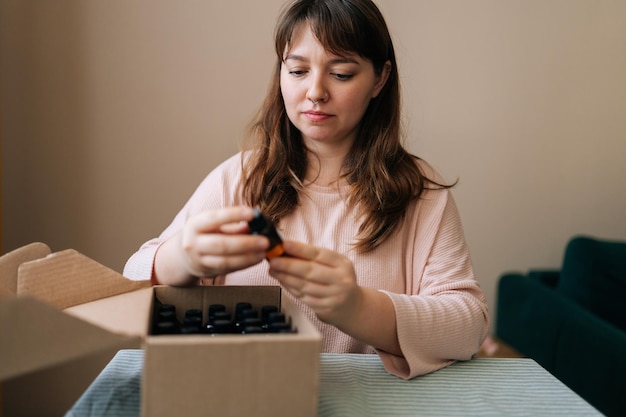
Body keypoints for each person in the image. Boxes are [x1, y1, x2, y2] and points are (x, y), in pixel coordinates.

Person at [124, 0, 489, 379]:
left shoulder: (421, 194)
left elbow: (468, 325)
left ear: (380, 79)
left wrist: (357, 307)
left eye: (342, 74)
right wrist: (180, 258)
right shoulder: (239, 178)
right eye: (297, 70)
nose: (315, 91)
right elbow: (130, 279)